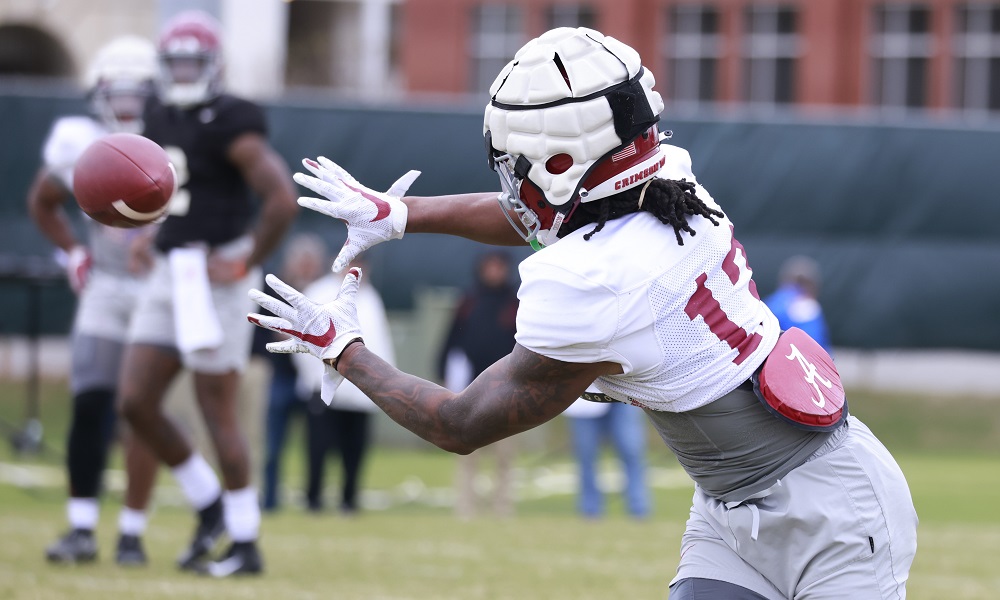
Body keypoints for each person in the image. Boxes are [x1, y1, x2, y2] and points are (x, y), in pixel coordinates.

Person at [250, 27, 918, 598]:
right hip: (731, 508)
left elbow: (459, 424)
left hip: (832, 513)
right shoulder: (666, 177)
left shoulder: (598, 284)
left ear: (569, 162)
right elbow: (556, 217)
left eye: (524, 162)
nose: (513, 178)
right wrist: (402, 214)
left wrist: (343, 349)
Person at [118, 10, 298, 577]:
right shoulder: (156, 110)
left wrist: (245, 255)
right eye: (175, 62)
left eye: (193, 61)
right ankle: (210, 505)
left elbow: (281, 198)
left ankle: (246, 543)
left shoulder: (232, 120)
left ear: (214, 65)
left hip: (214, 274)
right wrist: (149, 231)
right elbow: (165, 187)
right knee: (135, 402)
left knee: (215, 409)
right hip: (169, 269)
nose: (183, 71)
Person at [27, 35, 163, 567]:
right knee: (89, 403)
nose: (127, 104)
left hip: (158, 287)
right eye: (118, 92)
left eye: (138, 93)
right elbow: (42, 200)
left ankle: (131, 532)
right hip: (105, 286)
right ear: (99, 93)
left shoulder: (175, 137)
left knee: (142, 413)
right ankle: (82, 527)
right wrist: (71, 253)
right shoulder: (78, 139)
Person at [292, 255, 396, 515]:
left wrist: (381, 385)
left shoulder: (371, 299)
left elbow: (379, 342)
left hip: (361, 392)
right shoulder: (320, 292)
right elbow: (301, 337)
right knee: (318, 446)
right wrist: (314, 378)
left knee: (355, 450)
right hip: (324, 388)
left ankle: (349, 500)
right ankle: (313, 499)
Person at [437, 251, 519, 519]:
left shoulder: (515, 302)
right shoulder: (469, 300)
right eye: (490, 266)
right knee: (468, 450)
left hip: (508, 388)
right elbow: (450, 339)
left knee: (504, 454)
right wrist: (442, 372)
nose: (494, 271)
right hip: (471, 388)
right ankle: (466, 508)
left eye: (499, 266)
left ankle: (502, 508)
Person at [261, 233, 327, 512]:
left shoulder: (326, 297)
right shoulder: (278, 293)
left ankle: (313, 499)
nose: (305, 267)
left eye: (310, 262)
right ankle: (270, 500)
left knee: (316, 445)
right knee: (274, 446)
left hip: (314, 381)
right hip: (282, 377)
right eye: (301, 262)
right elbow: (272, 333)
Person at [563, 390, 650, 520]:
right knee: (586, 456)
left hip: (622, 394)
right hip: (584, 400)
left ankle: (639, 511)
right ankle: (590, 512)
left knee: (631, 451)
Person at [764, 255, 832, 352]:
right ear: (810, 285)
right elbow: (817, 346)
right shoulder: (807, 305)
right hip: (800, 361)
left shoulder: (769, 303)